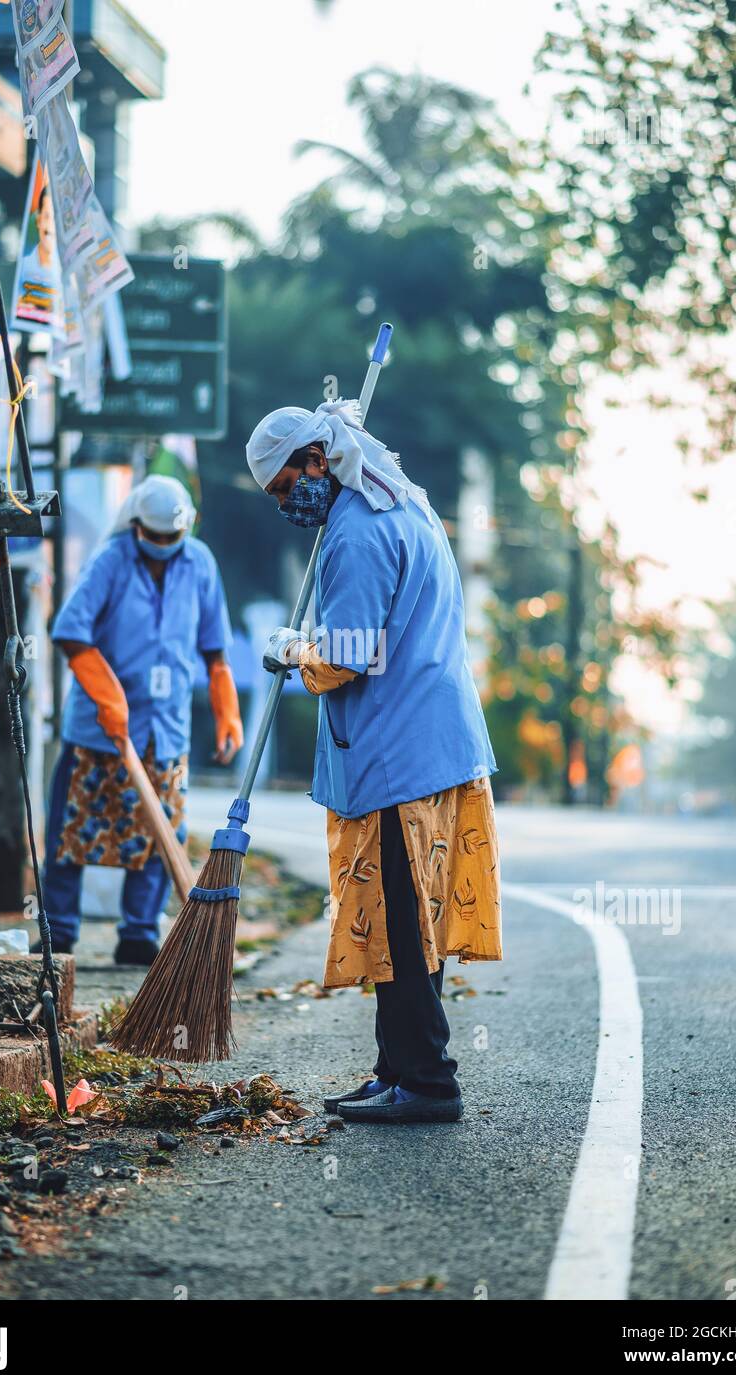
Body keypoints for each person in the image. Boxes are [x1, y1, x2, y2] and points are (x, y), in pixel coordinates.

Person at [246, 399, 502, 1124]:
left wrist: (292, 649)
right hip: (436, 744)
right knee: (408, 918)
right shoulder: (403, 503)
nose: (284, 504)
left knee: (398, 921)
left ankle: (426, 1081)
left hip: (398, 759)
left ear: (317, 461)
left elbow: (349, 657)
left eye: (282, 487)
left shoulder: (355, 532)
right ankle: (398, 1069)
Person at [40, 476, 243, 966]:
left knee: (161, 835)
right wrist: (107, 695)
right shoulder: (111, 561)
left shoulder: (200, 564)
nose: (164, 549)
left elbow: (215, 649)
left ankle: (138, 934)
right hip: (99, 729)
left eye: (173, 539)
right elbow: (70, 631)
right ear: (135, 527)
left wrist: (225, 708)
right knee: (72, 834)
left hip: (165, 729)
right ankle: (58, 933)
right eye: (154, 539)